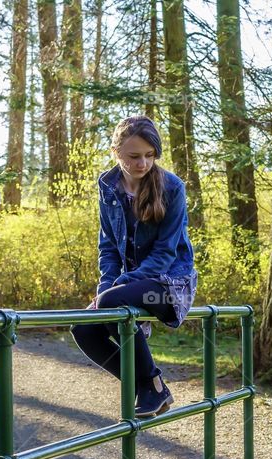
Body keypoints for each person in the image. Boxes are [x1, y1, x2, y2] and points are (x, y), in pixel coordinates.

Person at [70, 116, 198, 418]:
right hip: (127, 287)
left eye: (150, 155)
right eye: (134, 156)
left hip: (169, 286)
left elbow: (166, 251)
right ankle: (148, 384)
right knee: (83, 328)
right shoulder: (108, 187)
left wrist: (118, 288)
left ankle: (151, 387)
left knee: (114, 301)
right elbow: (109, 247)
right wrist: (107, 284)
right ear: (116, 152)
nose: (143, 163)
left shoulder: (172, 188)